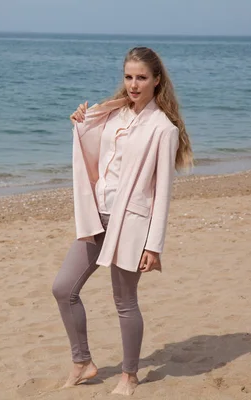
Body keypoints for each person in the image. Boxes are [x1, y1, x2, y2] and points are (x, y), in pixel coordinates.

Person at [52, 46, 193, 396]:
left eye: (141, 77)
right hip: (98, 216)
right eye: (129, 76)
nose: (133, 84)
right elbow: (94, 153)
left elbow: (162, 193)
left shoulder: (163, 129)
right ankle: (82, 362)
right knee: (63, 288)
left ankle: (129, 375)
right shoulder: (113, 114)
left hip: (131, 223)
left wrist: (153, 245)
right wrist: (81, 123)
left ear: (157, 81)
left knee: (124, 300)